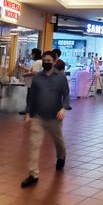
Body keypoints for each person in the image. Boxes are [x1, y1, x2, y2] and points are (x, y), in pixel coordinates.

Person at [22, 51, 71, 188]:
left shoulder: (60, 78)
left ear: (54, 62)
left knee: (58, 141)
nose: (46, 62)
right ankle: (33, 174)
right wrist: (28, 113)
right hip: (38, 116)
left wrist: (63, 108)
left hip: (54, 117)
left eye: (49, 60)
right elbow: (32, 97)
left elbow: (66, 95)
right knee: (34, 144)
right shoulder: (38, 78)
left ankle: (61, 156)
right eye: (44, 60)